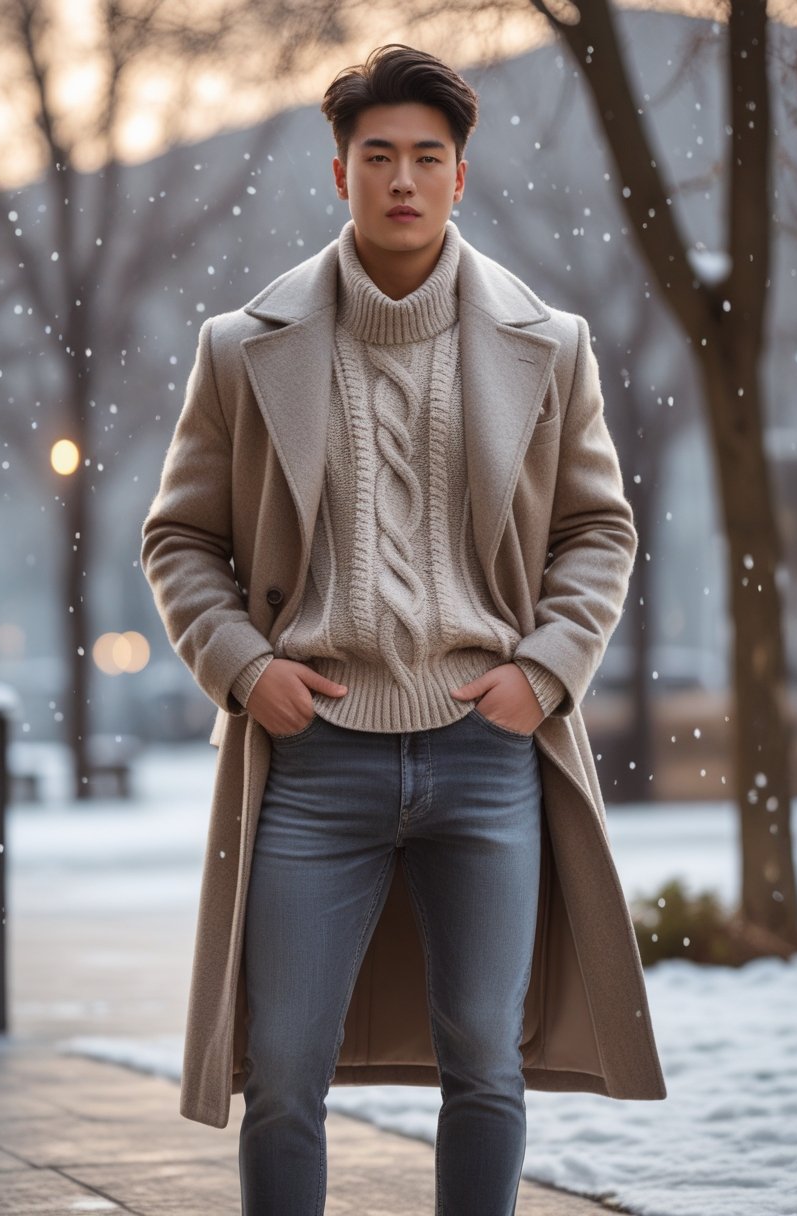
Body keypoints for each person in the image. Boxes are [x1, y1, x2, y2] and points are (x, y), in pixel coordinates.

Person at [141, 43, 666, 1216]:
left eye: (427, 157)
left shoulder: (550, 343)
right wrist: (244, 668)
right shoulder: (243, 347)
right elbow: (180, 540)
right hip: (313, 758)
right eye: (377, 156)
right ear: (340, 174)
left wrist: (543, 670)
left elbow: (597, 529)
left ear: (460, 177)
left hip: (486, 752)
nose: (402, 180)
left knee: (488, 1062)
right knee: (283, 1072)